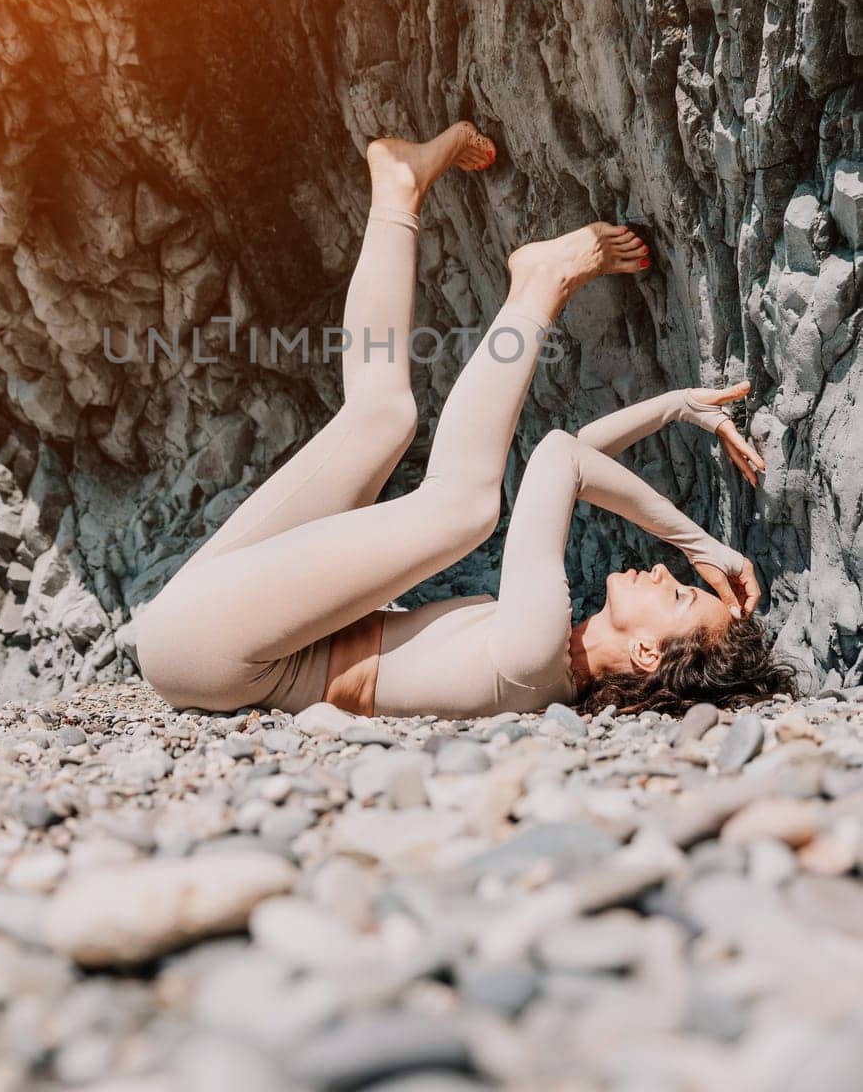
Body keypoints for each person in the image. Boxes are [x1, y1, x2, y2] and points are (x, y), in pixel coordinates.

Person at [133, 123, 796, 720]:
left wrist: (699, 546)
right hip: (205, 635)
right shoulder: (544, 660)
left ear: (648, 655)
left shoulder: (533, 658)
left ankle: (540, 282)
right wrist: (672, 408)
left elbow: (558, 460)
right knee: (379, 419)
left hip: (211, 648)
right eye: (682, 581)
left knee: (463, 507)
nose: (664, 574)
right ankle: (397, 189)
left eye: (677, 597)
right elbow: (567, 465)